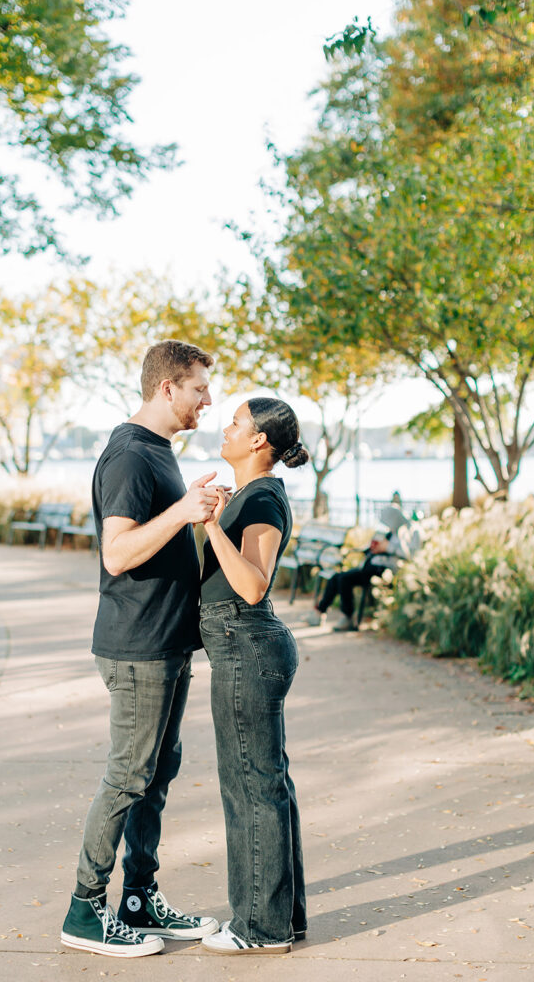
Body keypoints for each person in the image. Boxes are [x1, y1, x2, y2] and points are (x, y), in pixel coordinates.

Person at [61, 340, 221, 958]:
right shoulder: (128, 455)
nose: (208, 399)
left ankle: (137, 897)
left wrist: (199, 517)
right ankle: (84, 909)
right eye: (199, 388)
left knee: (156, 776)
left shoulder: (158, 450)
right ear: (167, 388)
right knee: (129, 777)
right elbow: (118, 553)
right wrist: (183, 510)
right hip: (137, 647)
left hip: (166, 643)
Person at [198, 397, 308, 955]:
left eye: (237, 422)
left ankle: (259, 929)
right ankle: (282, 919)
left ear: (259, 440)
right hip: (241, 645)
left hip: (246, 644)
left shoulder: (263, 496)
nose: (227, 427)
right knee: (267, 785)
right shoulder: (248, 495)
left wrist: (214, 526)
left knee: (252, 788)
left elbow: (252, 584)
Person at [312, 504, 417, 631]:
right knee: (336, 577)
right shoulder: (391, 532)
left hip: (384, 570)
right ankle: (319, 612)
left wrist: (387, 548)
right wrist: (374, 549)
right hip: (371, 566)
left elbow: (409, 554)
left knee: (344, 579)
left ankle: (347, 617)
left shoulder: (409, 532)